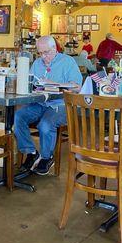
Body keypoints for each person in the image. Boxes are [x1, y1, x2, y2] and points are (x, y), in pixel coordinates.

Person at [14, 36, 83, 176]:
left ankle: (46, 157)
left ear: (54, 49)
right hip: (40, 102)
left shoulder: (67, 61)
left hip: (60, 104)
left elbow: (77, 86)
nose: (43, 56)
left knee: (45, 125)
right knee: (19, 116)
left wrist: (55, 84)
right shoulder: (37, 63)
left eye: (46, 52)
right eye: (40, 53)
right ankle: (31, 152)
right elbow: (30, 82)